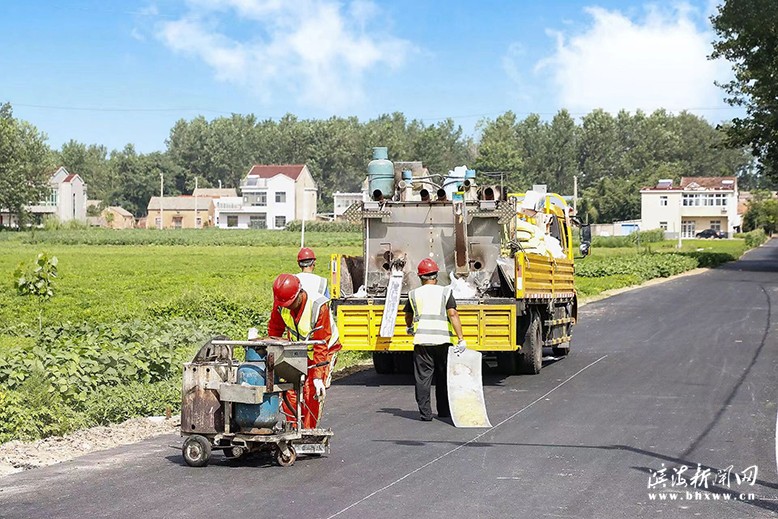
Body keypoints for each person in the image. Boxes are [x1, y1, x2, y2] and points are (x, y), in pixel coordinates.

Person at [268, 273, 341, 429]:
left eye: (291, 303)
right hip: (298, 351)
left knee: (311, 391)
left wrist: (318, 377)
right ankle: (293, 429)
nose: (288, 307)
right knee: (289, 389)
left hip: (324, 349)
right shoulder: (281, 303)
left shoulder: (318, 306)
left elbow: (321, 344)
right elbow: (275, 330)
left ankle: (308, 432)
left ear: (300, 294)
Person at [404, 259, 466, 421]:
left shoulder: (413, 294)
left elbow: (408, 315)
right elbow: (453, 314)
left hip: (422, 342)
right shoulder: (445, 292)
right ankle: (444, 411)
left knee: (423, 379)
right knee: (443, 377)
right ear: (436, 276)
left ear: (420, 277)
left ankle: (425, 413)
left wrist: (409, 327)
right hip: (442, 341)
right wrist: (461, 339)